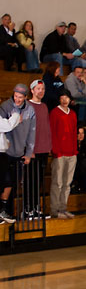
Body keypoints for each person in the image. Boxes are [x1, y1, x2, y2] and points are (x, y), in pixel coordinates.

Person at [0, 83, 36, 220]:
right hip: (5, 152)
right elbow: (5, 127)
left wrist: (28, 152)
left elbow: (32, 132)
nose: (17, 99)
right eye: (15, 96)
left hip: (19, 152)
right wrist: (15, 117)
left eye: (20, 97)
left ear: (26, 97)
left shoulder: (30, 110)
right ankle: (2, 211)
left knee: (13, 184)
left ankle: (7, 212)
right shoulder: (5, 107)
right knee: (5, 182)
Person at [49, 92, 78, 219]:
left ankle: (63, 207)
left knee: (67, 183)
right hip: (59, 152)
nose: (64, 100)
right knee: (58, 182)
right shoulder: (55, 113)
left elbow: (74, 132)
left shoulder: (72, 113)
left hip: (71, 153)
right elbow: (52, 132)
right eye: (62, 97)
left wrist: (75, 150)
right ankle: (55, 209)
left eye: (66, 97)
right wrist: (56, 151)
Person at [27, 79, 52, 218]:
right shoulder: (27, 106)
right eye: (38, 89)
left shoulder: (44, 106)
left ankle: (36, 208)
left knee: (39, 181)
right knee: (31, 180)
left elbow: (46, 127)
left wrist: (48, 145)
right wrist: (28, 150)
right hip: (32, 151)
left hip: (43, 149)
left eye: (42, 89)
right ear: (32, 90)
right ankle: (28, 209)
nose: (41, 91)